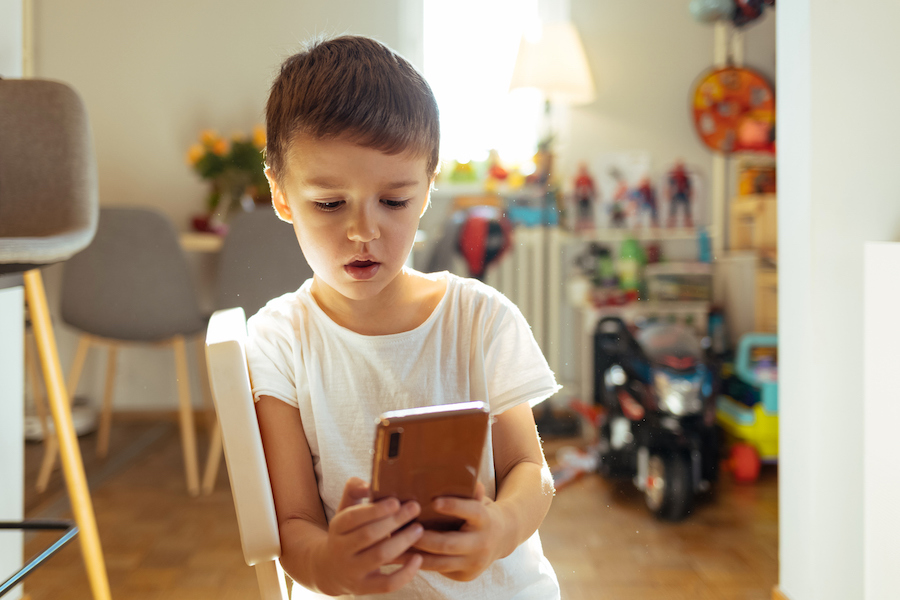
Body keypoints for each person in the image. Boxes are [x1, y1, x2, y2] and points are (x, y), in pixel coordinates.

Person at [247, 35, 562, 599]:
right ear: (281, 194)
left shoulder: (480, 318)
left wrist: (501, 528)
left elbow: (529, 472)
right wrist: (327, 565)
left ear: (427, 188)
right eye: (329, 203)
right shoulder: (278, 340)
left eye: (393, 201)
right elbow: (291, 522)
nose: (363, 232)